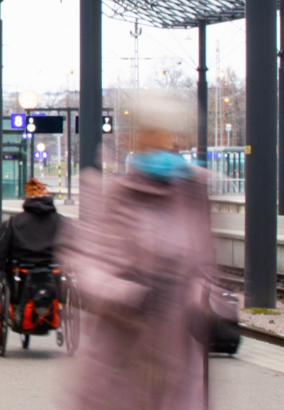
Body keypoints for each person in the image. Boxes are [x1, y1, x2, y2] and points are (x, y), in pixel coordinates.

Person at [64, 91, 214, 410]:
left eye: (168, 133)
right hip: (119, 369)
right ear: (137, 139)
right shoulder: (113, 195)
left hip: (178, 369)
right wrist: (131, 295)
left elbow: (204, 268)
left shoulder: (192, 193)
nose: (162, 142)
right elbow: (89, 267)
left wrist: (213, 307)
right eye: (152, 133)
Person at [0, 178, 63, 309]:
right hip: (54, 274)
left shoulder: (12, 224)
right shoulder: (62, 222)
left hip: (22, 279)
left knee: (6, 270)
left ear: (27, 199)